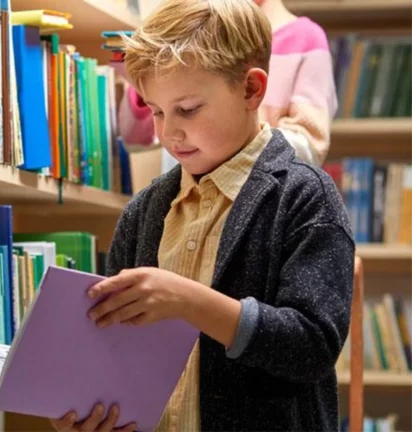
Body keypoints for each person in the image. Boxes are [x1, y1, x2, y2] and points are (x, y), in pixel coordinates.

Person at [49, 0, 354, 431]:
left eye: (188, 109)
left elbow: (312, 346)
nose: (168, 133)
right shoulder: (144, 210)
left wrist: (190, 302)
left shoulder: (307, 197)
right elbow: (112, 350)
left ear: (251, 90)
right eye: (156, 110)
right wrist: (90, 410)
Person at [117, 0, 338, 168]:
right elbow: (132, 139)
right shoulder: (191, 37)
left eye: (188, 109)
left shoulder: (307, 38)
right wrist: (146, 88)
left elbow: (311, 145)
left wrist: (235, 144)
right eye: (158, 111)